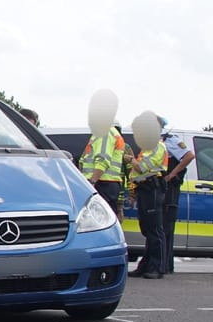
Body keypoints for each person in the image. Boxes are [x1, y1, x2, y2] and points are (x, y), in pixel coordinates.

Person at [129, 135, 169, 279]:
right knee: (148, 230)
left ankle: (157, 267)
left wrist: (130, 160)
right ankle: (146, 265)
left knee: (154, 230)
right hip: (145, 189)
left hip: (152, 189)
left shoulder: (156, 145)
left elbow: (141, 168)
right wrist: (133, 191)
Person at [159, 117, 194, 274]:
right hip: (158, 189)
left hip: (168, 190)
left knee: (165, 228)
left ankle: (164, 265)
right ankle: (161, 264)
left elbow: (189, 156)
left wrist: (172, 174)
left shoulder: (169, 139)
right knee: (159, 227)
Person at [80, 122, 126, 217]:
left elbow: (102, 160)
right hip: (107, 183)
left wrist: (92, 183)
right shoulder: (112, 133)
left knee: (97, 220)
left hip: (101, 183)